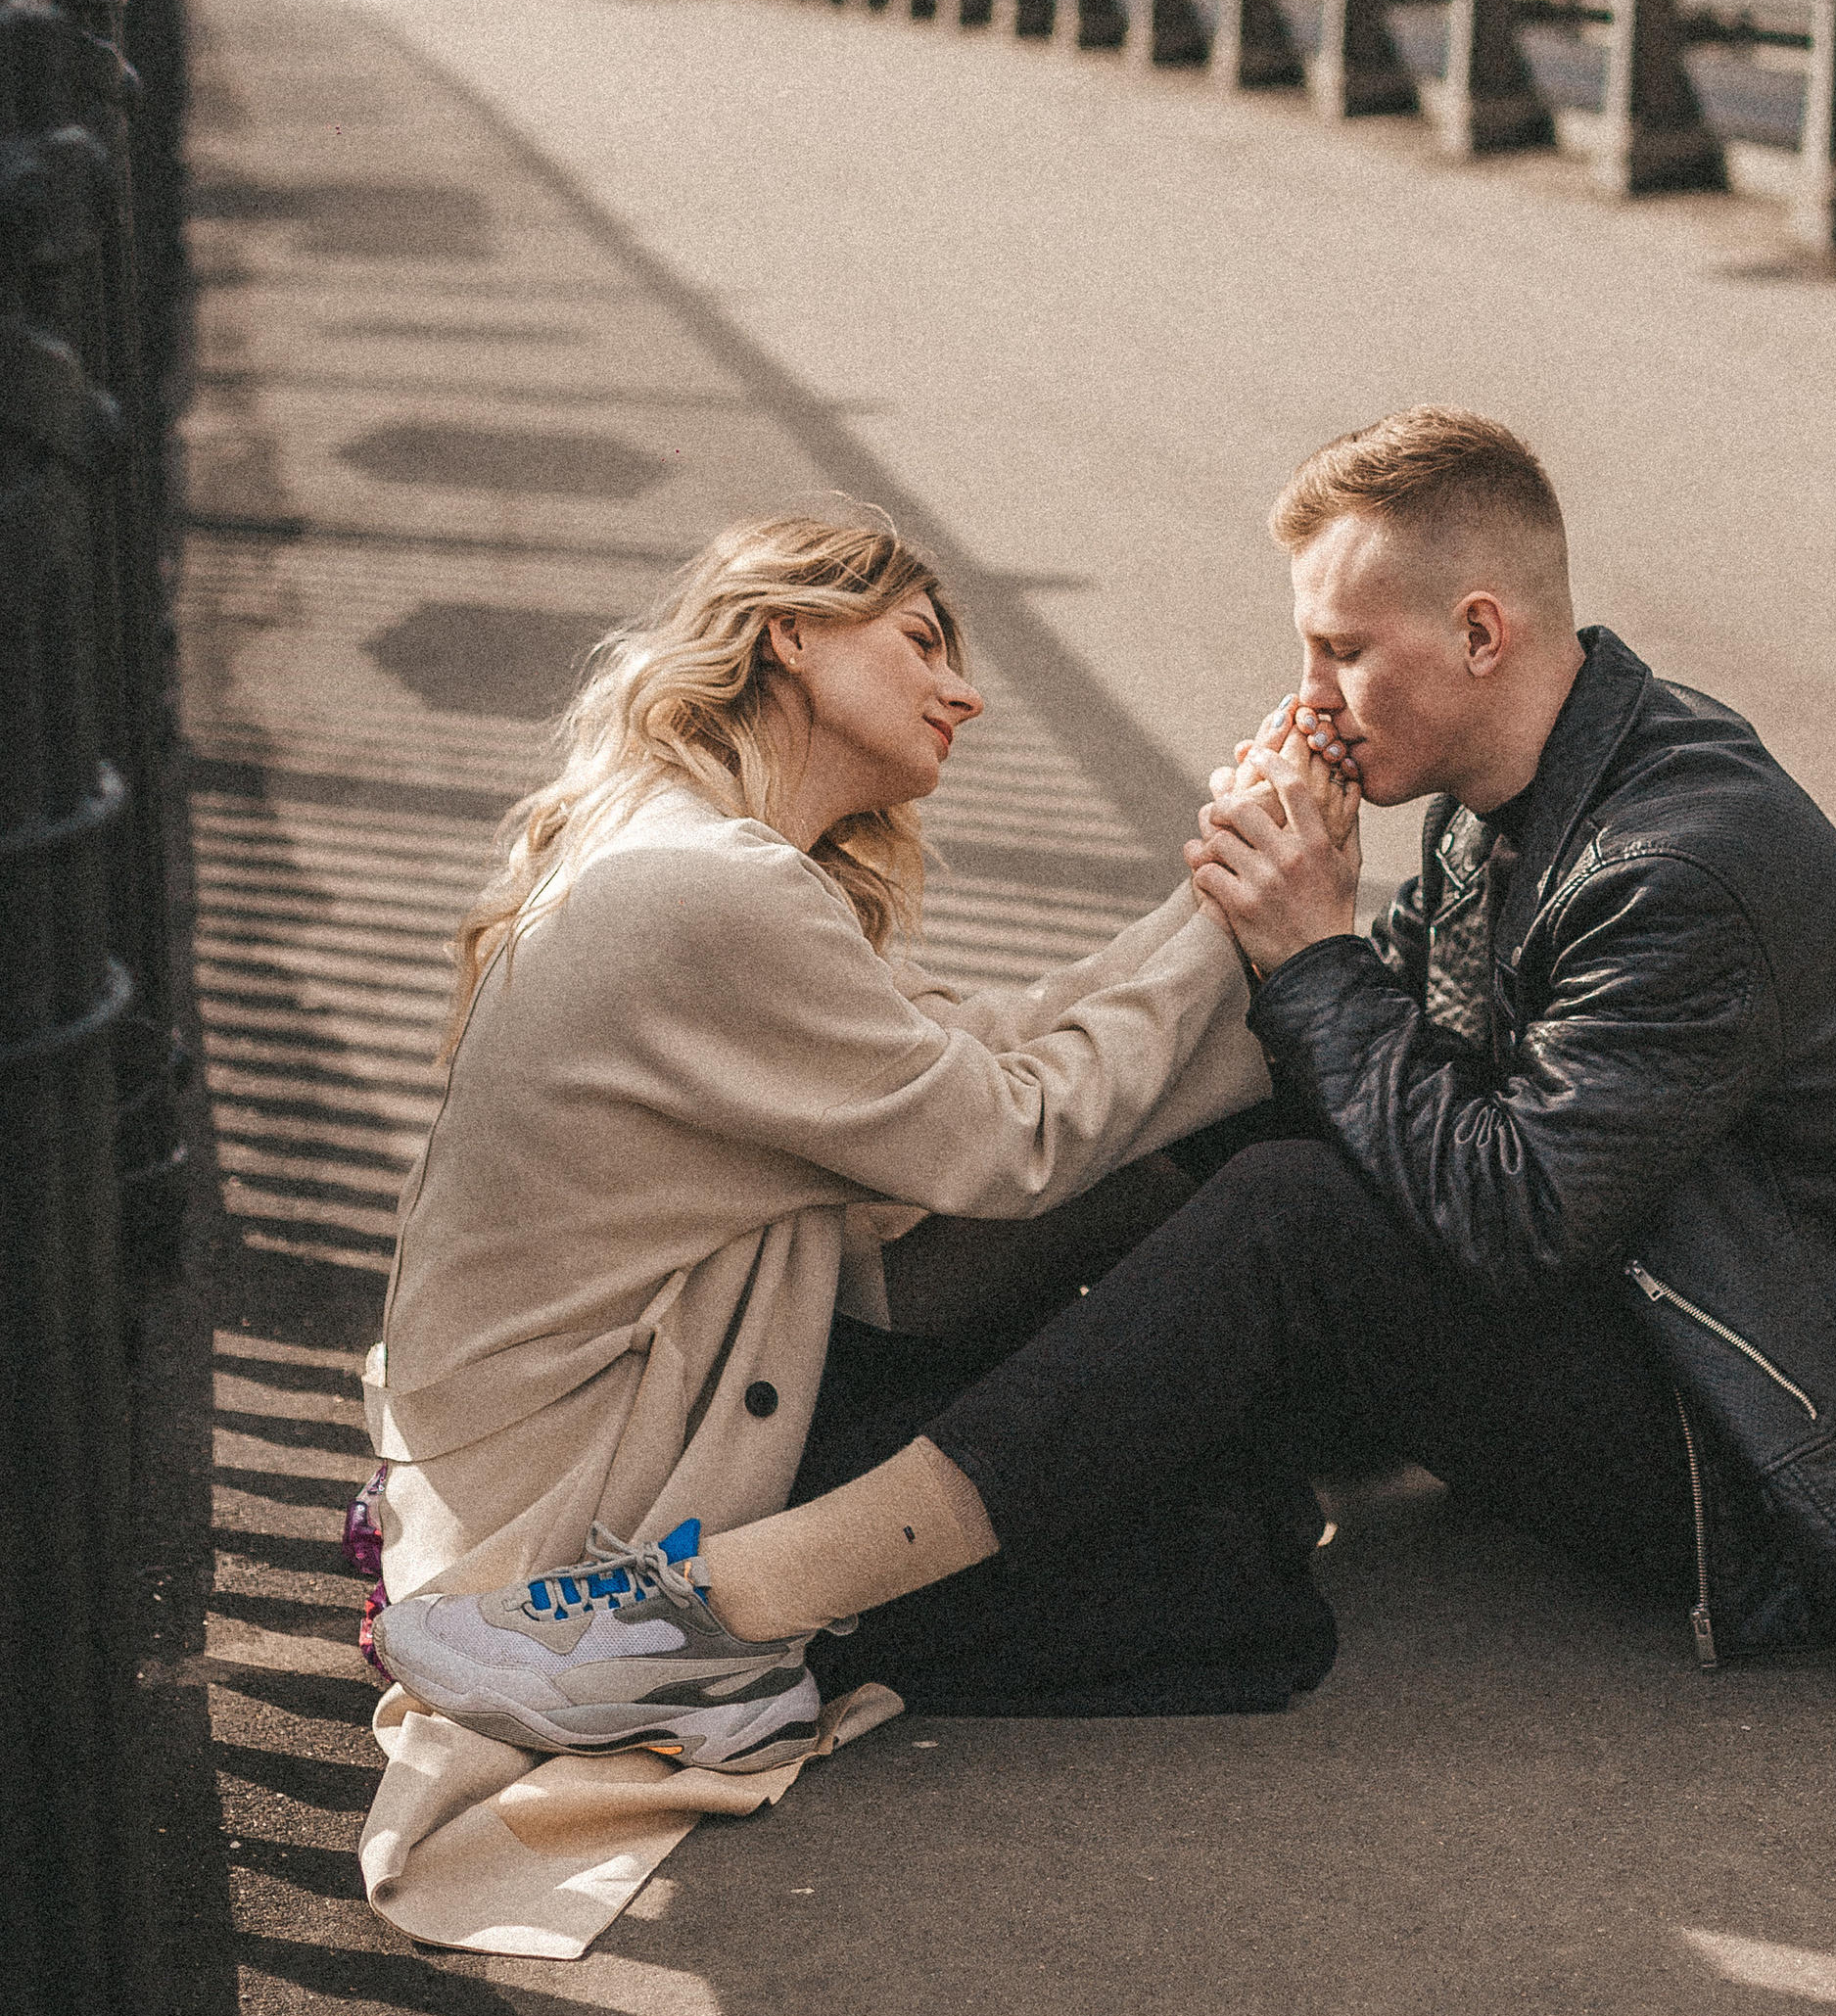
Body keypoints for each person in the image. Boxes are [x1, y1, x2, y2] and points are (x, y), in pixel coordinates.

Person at [378, 407, 1836, 1766]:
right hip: (1649, 1333)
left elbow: (1513, 1220)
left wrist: (1303, 955)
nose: (1309, 699)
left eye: (1338, 651)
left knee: (1295, 1203)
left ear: (1481, 633)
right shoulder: (1508, 799)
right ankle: (1023, 1517)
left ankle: (728, 1616)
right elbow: (1345, 1084)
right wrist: (1285, 959)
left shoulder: (1677, 865)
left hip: (1773, 1470)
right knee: (1273, 1113)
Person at [358, 510, 1342, 1875]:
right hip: (599, 1494)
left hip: (606, 1417)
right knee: (1205, 1532)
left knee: (1195, 1239)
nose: (966, 690)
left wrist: (1232, 891)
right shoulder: (710, 891)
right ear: (793, 633)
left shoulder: (692, 849)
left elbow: (987, 1048)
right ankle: (699, 1629)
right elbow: (1014, 1139)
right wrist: (1248, 914)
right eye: (923, 640)